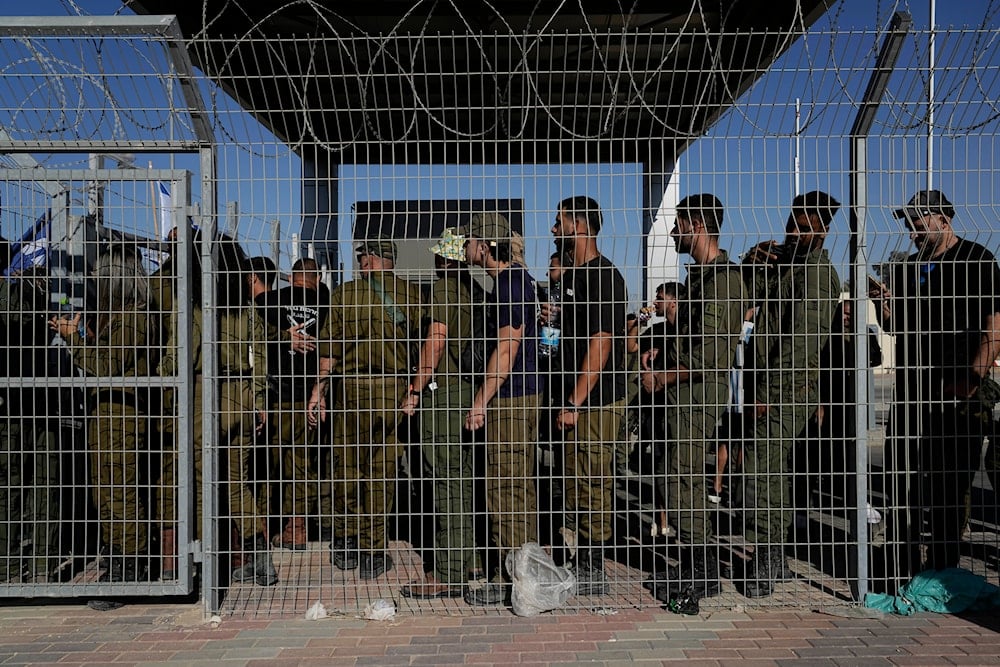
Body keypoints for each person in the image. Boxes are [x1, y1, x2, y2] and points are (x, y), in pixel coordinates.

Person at [869, 189, 1000, 592]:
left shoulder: (977, 260)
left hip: (958, 391)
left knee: (949, 485)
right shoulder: (909, 268)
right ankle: (902, 563)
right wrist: (885, 307)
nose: (911, 233)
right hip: (912, 389)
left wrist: (973, 378)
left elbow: (995, 323)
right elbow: (898, 329)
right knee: (901, 475)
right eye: (908, 226)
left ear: (943, 220)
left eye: (917, 223)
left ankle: (942, 570)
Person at [639, 194, 747, 607]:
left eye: (679, 223)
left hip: (695, 397)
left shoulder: (720, 280)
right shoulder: (703, 277)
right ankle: (693, 565)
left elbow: (710, 357)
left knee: (683, 482)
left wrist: (663, 375)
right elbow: (693, 343)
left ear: (698, 225)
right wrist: (661, 354)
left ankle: (701, 572)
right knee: (676, 479)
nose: (673, 231)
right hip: (685, 394)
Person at [738, 190, 842, 598]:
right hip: (771, 385)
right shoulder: (789, 265)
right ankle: (772, 556)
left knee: (764, 467)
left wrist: (767, 392)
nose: (794, 233)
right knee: (771, 468)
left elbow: (802, 345)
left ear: (823, 230)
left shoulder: (817, 275)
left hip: (787, 388)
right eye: (791, 224)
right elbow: (747, 293)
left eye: (804, 227)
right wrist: (754, 258)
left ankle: (767, 556)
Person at [308, 235, 430, 580]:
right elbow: (425, 347)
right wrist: (415, 391)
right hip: (393, 391)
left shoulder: (345, 293)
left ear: (369, 259)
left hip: (349, 392)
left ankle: (346, 541)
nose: (361, 262)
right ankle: (374, 550)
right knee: (381, 470)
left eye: (363, 256)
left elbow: (329, 350)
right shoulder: (413, 294)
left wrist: (319, 390)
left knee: (346, 466)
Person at [50, 245, 158, 583]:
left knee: (119, 491)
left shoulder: (135, 317)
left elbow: (108, 366)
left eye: (101, 276)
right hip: (107, 413)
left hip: (122, 414)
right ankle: (116, 556)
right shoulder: (121, 315)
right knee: (105, 490)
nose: (95, 282)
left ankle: (130, 566)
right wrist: (85, 335)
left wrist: (75, 342)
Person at [546, 195, 627, 596]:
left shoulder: (603, 276)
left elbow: (601, 343)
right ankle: (583, 558)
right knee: (576, 481)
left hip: (594, 401)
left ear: (580, 224)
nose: (553, 228)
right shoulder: (573, 277)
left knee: (593, 480)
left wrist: (574, 402)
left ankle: (594, 569)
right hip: (575, 400)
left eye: (559, 220)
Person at [460, 213, 542, 605]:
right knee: (519, 486)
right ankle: (524, 573)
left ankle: (508, 580)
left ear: (487, 246)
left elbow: (506, 348)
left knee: (504, 487)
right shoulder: (519, 279)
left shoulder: (509, 283)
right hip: (524, 393)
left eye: (473, 238)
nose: (468, 246)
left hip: (510, 396)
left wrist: (480, 401)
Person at [399, 227, 483, 600]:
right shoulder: (473, 289)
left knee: (444, 483)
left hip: (444, 394)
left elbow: (436, 340)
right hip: (465, 391)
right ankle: (468, 560)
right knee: (462, 481)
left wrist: (415, 388)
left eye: (438, 254)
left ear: (445, 258)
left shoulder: (445, 288)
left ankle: (447, 573)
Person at [257, 257, 330, 551]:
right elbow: (320, 288)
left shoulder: (271, 302)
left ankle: (262, 529)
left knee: (267, 466)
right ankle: (297, 528)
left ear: (291, 275)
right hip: (308, 394)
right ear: (317, 277)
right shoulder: (324, 301)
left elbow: (256, 328)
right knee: (302, 464)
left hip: (275, 395)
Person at [0, 267, 63, 582]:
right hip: (35, 400)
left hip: (18, 402)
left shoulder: (15, 296)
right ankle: (40, 566)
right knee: (40, 482)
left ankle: (12, 567)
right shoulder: (36, 302)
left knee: (16, 484)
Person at [635, 281, 684, 533]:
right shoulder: (658, 330)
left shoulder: (688, 331)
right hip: (658, 409)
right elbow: (631, 345)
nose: (655, 300)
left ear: (674, 301)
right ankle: (662, 519)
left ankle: (677, 521)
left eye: (660, 296)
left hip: (682, 408)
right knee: (661, 464)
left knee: (677, 466)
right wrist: (639, 322)